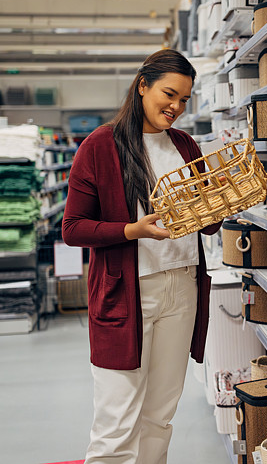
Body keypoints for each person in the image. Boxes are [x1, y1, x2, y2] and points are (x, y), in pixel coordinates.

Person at [62, 49, 222, 464]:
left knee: (160, 416)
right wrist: (131, 230)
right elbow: (73, 228)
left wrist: (219, 204)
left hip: (182, 287)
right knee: (116, 423)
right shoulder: (100, 146)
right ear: (142, 85)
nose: (176, 107)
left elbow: (207, 225)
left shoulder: (185, 145)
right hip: (127, 294)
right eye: (169, 94)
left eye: (184, 99)